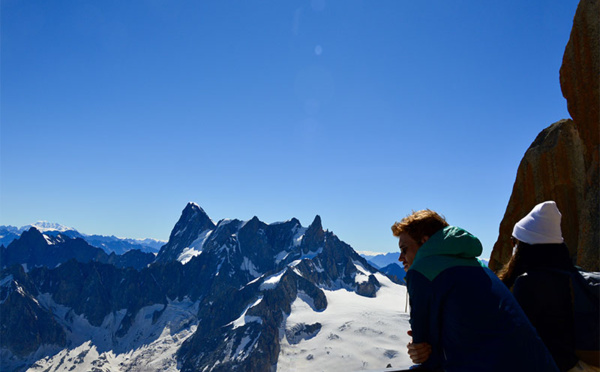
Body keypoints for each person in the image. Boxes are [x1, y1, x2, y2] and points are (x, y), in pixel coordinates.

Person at [392, 209, 559, 372]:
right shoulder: (476, 264)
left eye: (404, 249)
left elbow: (425, 353)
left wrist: (418, 348)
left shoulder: (422, 269)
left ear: (425, 241)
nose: (400, 258)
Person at [498, 201, 600, 372]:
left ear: (523, 245)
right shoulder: (572, 275)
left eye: (514, 241)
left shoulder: (528, 283)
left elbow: (519, 338)